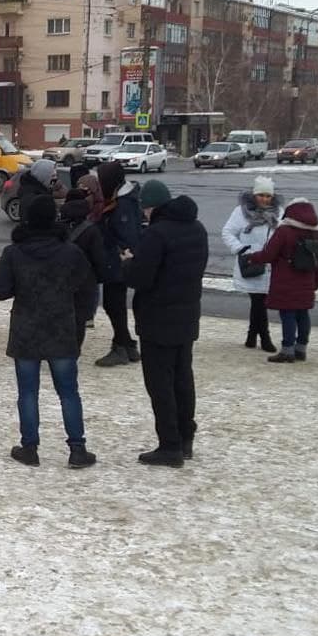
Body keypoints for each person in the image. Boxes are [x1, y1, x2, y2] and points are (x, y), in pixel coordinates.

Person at [0, 195, 96, 469]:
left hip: (26, 328)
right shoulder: (70, 252)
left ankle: (30, 447)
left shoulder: (15, 253)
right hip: (61, 327)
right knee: (69, 392)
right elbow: (87, 287)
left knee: (27, 392)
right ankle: (77, 448)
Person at [122, 180, 208, 468]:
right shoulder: (197, 229)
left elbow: (141, 279)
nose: (143, 214)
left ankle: (169, 445)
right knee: (183, 378)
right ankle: (185, 439)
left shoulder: (157, 235)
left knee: (160, 384)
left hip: (157, 320)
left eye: (144, 208)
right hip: (186, 317)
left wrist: (128, 263)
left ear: (152, 206)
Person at [248, 198, 318, 364]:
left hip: (285, 280)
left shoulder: (285, 231)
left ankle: (287, 351)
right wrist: (317, 282)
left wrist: (252, 258)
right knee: (303, 313)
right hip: (307, 280)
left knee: (288, 314)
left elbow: (269, 254)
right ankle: (301, 349)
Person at [221, 176, 283, 353]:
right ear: (254, 195)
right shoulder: (241, 212)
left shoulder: (279, 213)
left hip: (270, 264)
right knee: (259, 300)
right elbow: (227, 232)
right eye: (261, 195)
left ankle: (251, 337)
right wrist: (241, 249)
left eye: (268, 196)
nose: (264, 199)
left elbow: (283, 234)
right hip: (250, 262)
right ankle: (265, 338)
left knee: (259, 301)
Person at [94, 161, 142, 367]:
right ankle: (128, 345)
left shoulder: (122, 204)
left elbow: (127, 236)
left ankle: (121, 347)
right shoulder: (119, 198)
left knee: (114, 305)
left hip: (118, 262)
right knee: (115, 304)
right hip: (115, 261)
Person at [59, 189, 106, 353]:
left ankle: (59, 349)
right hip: (84, 281)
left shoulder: (58, 227)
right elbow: (99, 259)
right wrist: (98, 278)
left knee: (61, 316)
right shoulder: (92, 230)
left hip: (60, 280)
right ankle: (73, 351)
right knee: (79, 319)